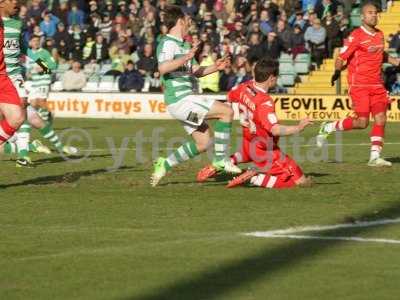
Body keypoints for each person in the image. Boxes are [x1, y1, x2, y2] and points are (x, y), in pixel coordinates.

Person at [151, 5, 241, 187]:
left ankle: (165, 163)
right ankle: (221, 160)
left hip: (184, 100)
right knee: (226, 112)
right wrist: (186, 57)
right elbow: (162, 68)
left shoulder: (184, 44)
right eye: (187, 19)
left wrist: (216, 67)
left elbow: (195, 72)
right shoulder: (168, 42)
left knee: (203, 142)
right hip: (180, 98)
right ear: (180, 21)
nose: (189, 22)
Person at [198, 59, 313, 188]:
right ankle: (254, 178)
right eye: (277, 76)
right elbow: (274, 129)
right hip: (265, 150)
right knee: (300, 183)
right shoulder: (265, 102)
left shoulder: (245, 86)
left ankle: (217, 165)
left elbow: (229, 98)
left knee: (242, 156)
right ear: (271, 78)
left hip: (248, 142)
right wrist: (298, 127)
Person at [316, 1, 400, 167]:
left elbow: (380, 54)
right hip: (359, 85)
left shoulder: (379, 34)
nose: (374, 15)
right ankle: (329, 126)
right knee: (362, 122)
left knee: (381, 119)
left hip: (377, 85)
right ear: (362, 16)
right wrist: (337, 71)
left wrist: (395, 61)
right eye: (370, 13)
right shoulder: (355, 36)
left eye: (376, 12)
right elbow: (341, 57)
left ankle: (375, 157)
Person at [0, 0, 25, 153]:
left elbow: (26, 47)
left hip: (13, 75)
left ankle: (23, 149)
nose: (16, 2)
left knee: (20, 112)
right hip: (5, 75)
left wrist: (46, 68)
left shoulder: (17, 24)